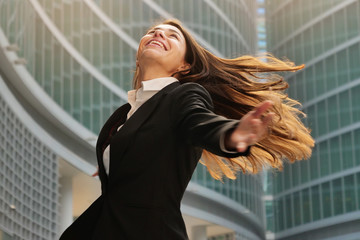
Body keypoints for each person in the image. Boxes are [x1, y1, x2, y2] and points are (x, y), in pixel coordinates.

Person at [59, 19, 314, 240]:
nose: (158, 34)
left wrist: (232, 134)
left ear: (184, 66)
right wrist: (113, 160)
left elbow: (199, 120)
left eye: (172, 35)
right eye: (153, 31)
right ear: (138, 55)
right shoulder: (123, 115)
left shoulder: (184, 95)